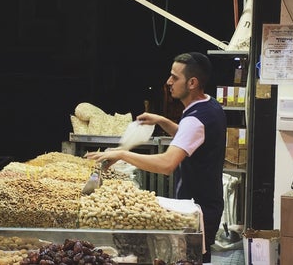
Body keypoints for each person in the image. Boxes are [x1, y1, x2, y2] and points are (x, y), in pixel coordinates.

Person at [85, 52, 225, 263]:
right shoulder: (210, 105)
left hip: (198, 210)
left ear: (192, 82)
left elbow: (167, 164)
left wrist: (123, 153)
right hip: (207, 203)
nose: (169, 82)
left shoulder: (196, 119)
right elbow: (191, 138)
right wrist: (162, 121)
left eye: (175, 77)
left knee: (192, 259)